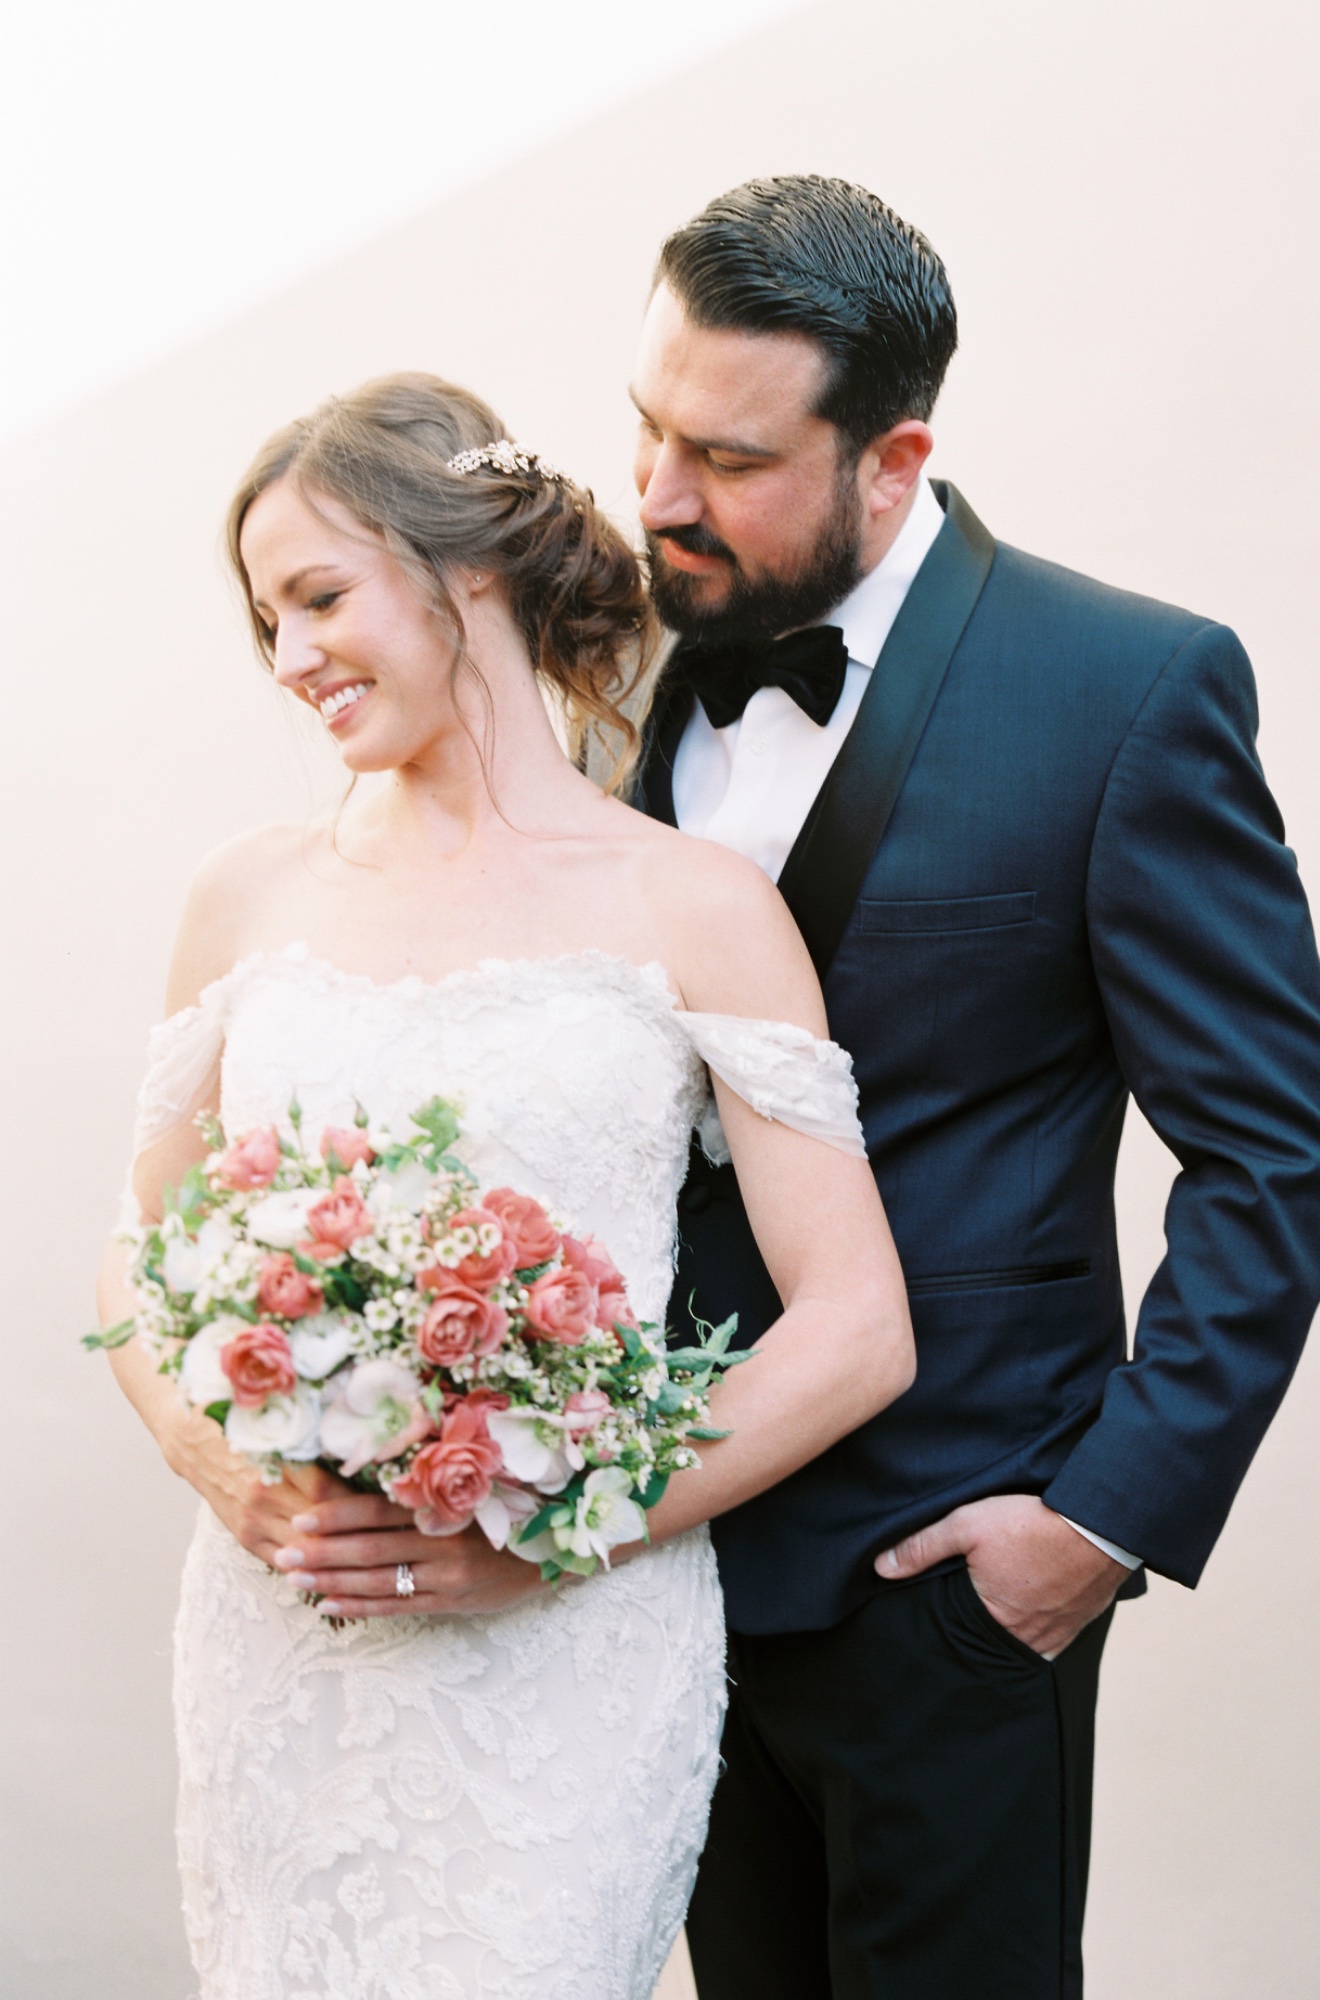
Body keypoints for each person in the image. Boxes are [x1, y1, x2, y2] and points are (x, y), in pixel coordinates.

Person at [94, 372, 914, 2000]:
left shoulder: (698, 907)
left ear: (469, 569)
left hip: (571, 1650)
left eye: (322, 595)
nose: (292, 655)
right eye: (269, 620)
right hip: (288, 1643)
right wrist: (220, 1469)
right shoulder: (245, 896)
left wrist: (559, 1531)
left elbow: (858, 1327)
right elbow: (137, 1261)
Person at [629, 176, 1320, 1999]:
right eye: (645, 426)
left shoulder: (1125, 688)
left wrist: (1097, 1525)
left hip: (945, 1582)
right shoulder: (607, 660)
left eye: (723, 456)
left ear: (893, 458)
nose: (654, 496)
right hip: (649, 1574)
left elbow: (1278, 1148)